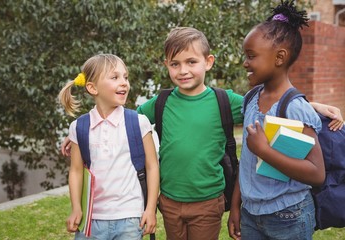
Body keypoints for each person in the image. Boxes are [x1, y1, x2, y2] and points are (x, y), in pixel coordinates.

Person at [61, 29, 343, 240]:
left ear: (208, 62)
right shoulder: (159, 103)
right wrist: (81, 133)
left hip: (209, 201)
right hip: (168, 201)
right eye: (175, 64)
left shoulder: (225, 101)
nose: (183, 70)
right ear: (167, 66)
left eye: (191, 62)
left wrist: (311, 105)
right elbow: (121, 120)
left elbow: (265, 107)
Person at [227, 1, 332, 239]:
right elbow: (247, 162)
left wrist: (264, 150)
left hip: (289, 216)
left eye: (251, 56)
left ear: (279, 57)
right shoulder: (251, 99)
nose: (245, 62)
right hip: (251, 214)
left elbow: (316, 173)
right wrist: (236, 206)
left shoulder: (294, 108)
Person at [58, 53, 159, 240]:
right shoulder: (78, 127)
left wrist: (150, 209)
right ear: (92, 88)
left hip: (130, 216)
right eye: (115, 77)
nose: (124, 83)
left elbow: (153, 167)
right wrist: (76, 208)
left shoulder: (139, 122)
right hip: (91, 218)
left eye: (125, 77)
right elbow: (76, 171)